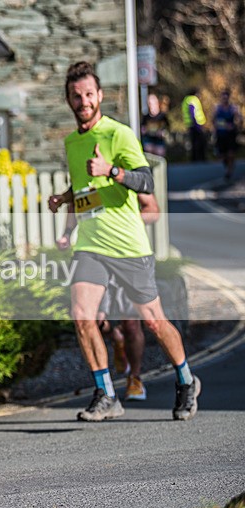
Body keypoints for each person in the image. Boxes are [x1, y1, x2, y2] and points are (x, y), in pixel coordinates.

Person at [60, 61, 200, 422]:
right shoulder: (72, 143)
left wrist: (112, 170)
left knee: (153, 320)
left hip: (127, 245)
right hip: (90, 244)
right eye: (76, 96)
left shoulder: (118, 135)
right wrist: (66, 213)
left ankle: (186, 379)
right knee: (81, 315)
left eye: (89, 94)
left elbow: (146, 183)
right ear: (69, 100)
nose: (83, 101)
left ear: (100, 96)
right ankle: (106, 393)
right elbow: (84, 191)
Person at [50, 188, 161, 401]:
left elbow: (153, 210)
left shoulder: (125, 170)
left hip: (126, 254)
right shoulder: (83, 171)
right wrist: (67, 233)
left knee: (131, 323)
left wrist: (122, 223)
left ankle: (135, 378)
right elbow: (76, 202)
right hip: (94, 258)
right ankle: (116, 340)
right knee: (94, 320)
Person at [213, 89, 242, 181]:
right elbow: (214, 121)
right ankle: (228, 165)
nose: (225, 100)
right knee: (222, 155)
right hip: (221, 134)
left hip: (230, 135)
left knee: (230, 153)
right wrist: (224, 126)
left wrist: (237, 124)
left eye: (226, 98)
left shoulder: (233, 108)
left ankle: (229, 171)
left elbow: (239, 119)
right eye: (223, 98)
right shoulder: (218, 109)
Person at [182, 88, 207, 162]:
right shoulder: (192, 99)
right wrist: (196, 124)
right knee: (199, 142)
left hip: (190, 125)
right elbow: (192, 112)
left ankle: (195, 158)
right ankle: (200, 158)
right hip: (196, 125)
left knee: (194, 142)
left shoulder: (186, 100)